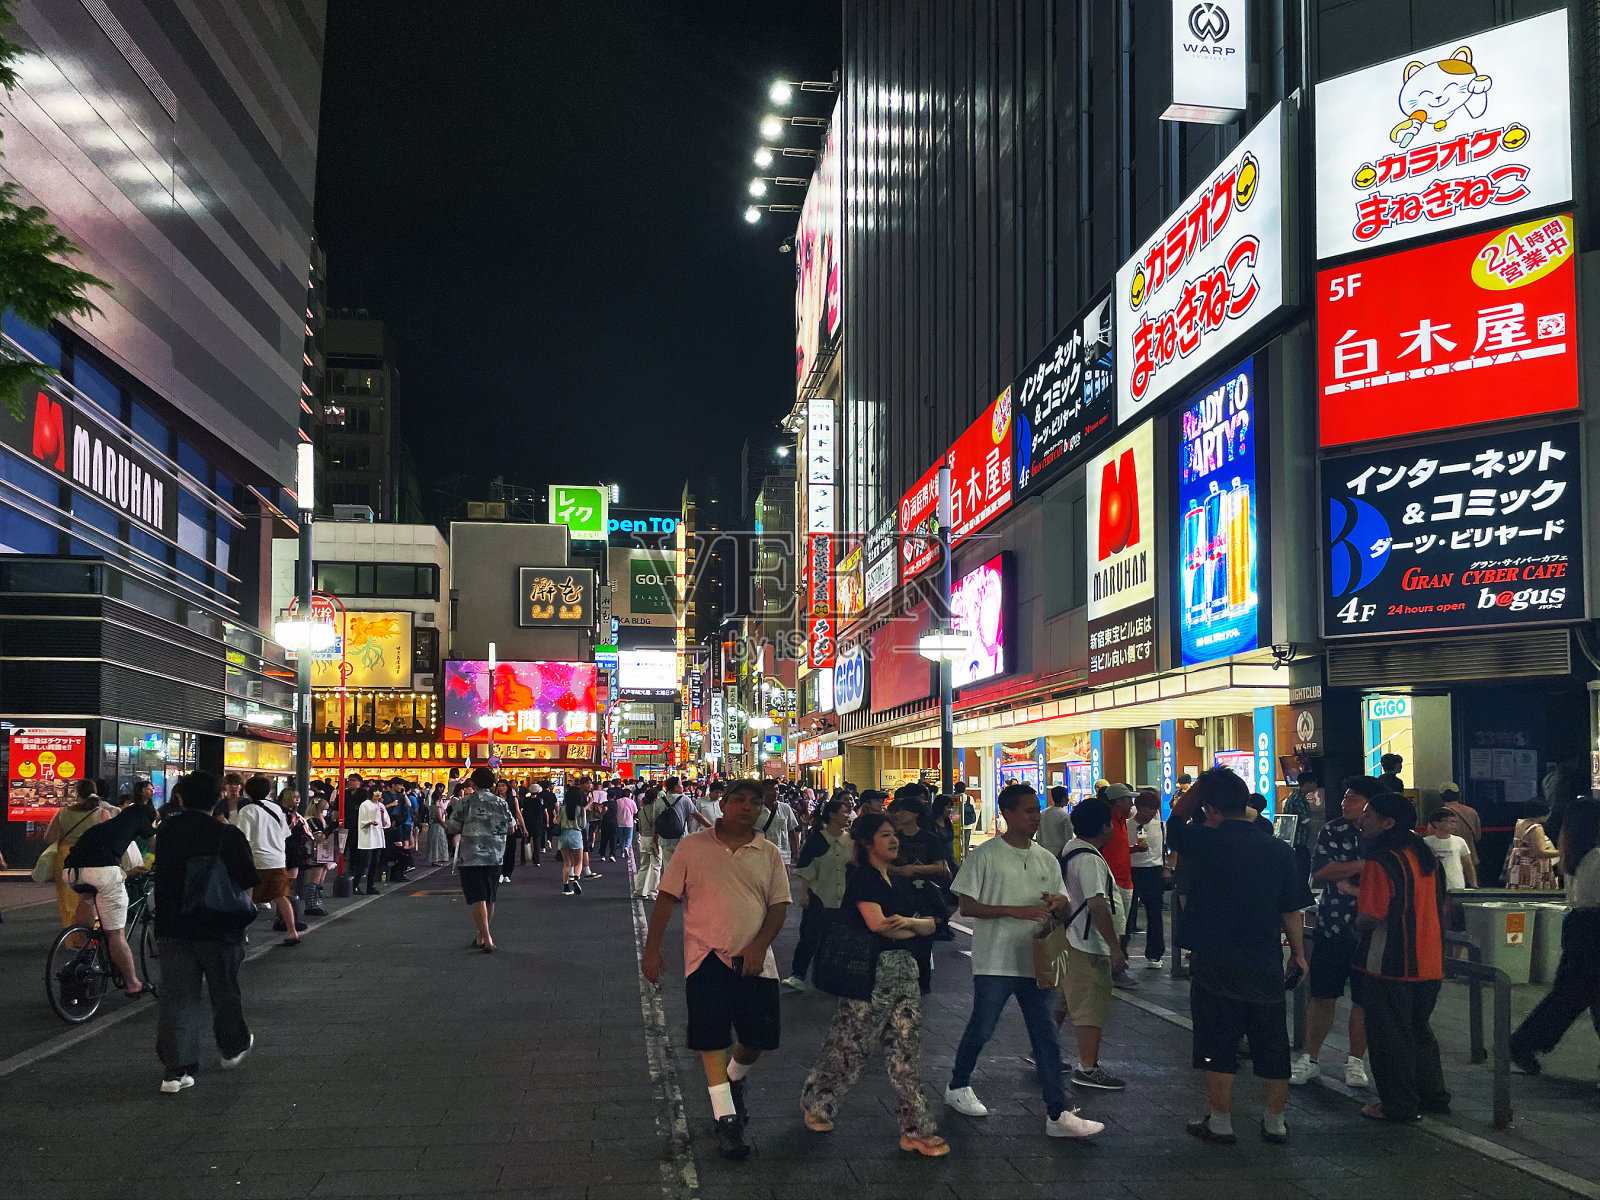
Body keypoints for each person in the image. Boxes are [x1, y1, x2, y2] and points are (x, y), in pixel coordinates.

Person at [642, 780, 791, 1162]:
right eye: (738, 799)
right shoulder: (693, 847)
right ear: (721, 805)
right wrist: (652, 949)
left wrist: (759, 946)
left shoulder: (769, 852)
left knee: (758, 1038)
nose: (746, 806)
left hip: (756, 960)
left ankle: (734, 1078)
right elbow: (667, 898)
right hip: (705, 958)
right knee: (710, 1038)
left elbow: (778, 906)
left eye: (754, 801)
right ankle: (726, 1118)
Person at [944, 783, 1104, 1139]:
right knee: (983, 1027)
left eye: (1036, 810)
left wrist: (1058, 905)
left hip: (1038, 960)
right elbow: (966, 906)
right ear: (1007, 813)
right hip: (995, 960)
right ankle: (958, 1084)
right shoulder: (986, 855)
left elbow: (1062, 901)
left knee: (1045, 1032)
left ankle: (1057, 1111)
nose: (1035, 817)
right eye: (1028, 810)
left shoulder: (1047, 856)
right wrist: (1012, 910)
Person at [1168, 768, 1312, 1146]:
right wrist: (1298, 954)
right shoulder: (1279, 850)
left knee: (1218, 1041)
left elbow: (1175, 821)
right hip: (1264, 961)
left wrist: (1198, 787)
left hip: (1214, 960)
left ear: (1210, 808)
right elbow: (1291, 910)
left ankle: (1220, 1121)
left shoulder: (1203, 842)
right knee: (1272, 1041)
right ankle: (1275, 1122)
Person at [799, 812, 946, 1156]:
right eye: (885, 835)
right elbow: (879, 925)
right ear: (867, 843)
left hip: (906, 971)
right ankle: (818, 1103)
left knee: (906, 1052)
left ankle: (916, 1129)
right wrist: (916, 926)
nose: (894, 840)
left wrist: (910, 923)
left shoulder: (899, 880)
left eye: (894, 834)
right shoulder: (863, 878)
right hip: (870, 974)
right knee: (849, 1046)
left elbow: (932, 925)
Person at [153, 770, 259, 1094]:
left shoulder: (167, 831)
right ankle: (232, 1047)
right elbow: (246, 878)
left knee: (178, 997)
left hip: (173, 926)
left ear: (181, 799)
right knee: (224, 990)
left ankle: (176, 1070)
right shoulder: (227, 835)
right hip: (219, 927)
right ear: (219, 799)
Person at [1352, 792, 1451, 1122]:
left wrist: (1353, 911)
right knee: (1418, 1032)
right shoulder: (1427, 859)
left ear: (1388, 823)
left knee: (1388, 1037)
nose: (1361, 820)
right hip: (1431, 961)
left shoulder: (1381, 862)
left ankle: (1398, 1105)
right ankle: (1433, 1096)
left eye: (1368, 815)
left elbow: (1371, 915)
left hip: (1390, 963)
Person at [1291, 775, 1378, 1090]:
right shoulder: (1334, 829)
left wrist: (1348, 874)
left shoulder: (1386, 834)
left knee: (1364, 998)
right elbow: (1322, 871)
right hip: (1333, 924)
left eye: (1353, 797)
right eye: (1345, 796)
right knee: (1323, 993)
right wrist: (1364, 866)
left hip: (1371, 928)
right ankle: (1309, 1058)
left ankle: (1355, 1061)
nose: (1345, 802)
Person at [1510, 800, 1600, 1075]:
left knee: (1572, 994)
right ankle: (1523, 1043)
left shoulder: (1578, 854)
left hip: (1581, 925)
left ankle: (1524, 1043)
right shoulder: (1595, 856)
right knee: (1573, 995)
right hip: (1593, 926)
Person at [1055, 797, 1129, 1091]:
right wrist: (1114, 947)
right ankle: (1087, 1066)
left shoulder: (1071, 850)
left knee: (1063, 999)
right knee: (1089, 1005)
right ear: (1103, 827)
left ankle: (1043, 1049)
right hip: (1086, 942)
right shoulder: (1090, 859)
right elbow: (1097, 904)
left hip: (1070, 937)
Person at [62, 799, 158, 998]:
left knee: (87, 898)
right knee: (115, 935)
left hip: (71, 871)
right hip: (102, 872)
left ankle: (87, 945)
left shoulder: (109, 825)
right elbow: (156, 846)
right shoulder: (140, 818)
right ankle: (133, 984)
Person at [785, 797, 853, 990]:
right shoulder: (818, 840)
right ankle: (798, 974)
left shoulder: (849, 840)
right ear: (832, 815)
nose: (847, 815)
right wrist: (804, 894)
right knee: (810, 936)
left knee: (836, 939)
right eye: (844, 812)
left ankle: (829, 978)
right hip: (819, 895)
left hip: (843, 897)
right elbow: (807, 869)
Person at [446, 767, 514, 952]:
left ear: (472, 783)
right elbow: (511, 828)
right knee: (490, 897)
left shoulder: (465, 803)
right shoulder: (501, 803)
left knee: (477, 897)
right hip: (495, 854)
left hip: (471, 856)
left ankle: (487, 938)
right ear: (492, 784)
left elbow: (452, 827)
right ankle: (481, 935)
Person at [231, 776, 300, 946]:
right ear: (268, 791)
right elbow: (285, 833)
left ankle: (244, 935)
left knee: (248, 899)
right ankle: (292, 931)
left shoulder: (247, 811)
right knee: (280, 895)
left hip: (257, 859)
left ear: (247, 791)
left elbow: (242, 838)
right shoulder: (276, 809)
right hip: (277, 858)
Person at [42, 780, 117, 927]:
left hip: (66, 858)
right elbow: (111, 839)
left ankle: (73, 936)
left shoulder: (63, 813)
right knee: (91, 898)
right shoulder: (102, 814)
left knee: (68, 900)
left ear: (76, 793)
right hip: (93, 858)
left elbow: (49, 838)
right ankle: (91, 934)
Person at [1100, 784, 1139, 989]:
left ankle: (1116, 966)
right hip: (1114, 881)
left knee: (1122, 925)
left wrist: (1133, 850)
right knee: (1118, 926)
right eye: (1128, 799)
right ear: (1119, 801)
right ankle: (1116, 968)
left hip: (1126, 879)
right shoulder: (1108, 822)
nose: (1132, 803)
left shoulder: (1123, 821)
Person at [1127, 788, 1168, 970]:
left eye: (1155, 809)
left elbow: (1169, 849)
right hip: (1131, 869)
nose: (1152, 812)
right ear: (1138, 807)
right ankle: (1121, 953)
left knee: (1154, 914)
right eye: (1148, 808)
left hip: (1153, 871)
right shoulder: (1125, 825)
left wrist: (1168, 868)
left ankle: (1154, 953)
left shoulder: (1160, 825)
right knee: (1127, 914)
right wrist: (1134, 849)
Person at [278, 787, 315, 931]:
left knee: (289, 885)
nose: (298, 799)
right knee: (286, 887)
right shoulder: (280, 813)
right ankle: (289, 918)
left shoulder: (297, 815)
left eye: (298, 796)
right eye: (294, 797)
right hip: (283, 850)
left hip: (294, 852)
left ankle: (283, 918)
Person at [1423, 809, 1477, 891]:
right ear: (1436, 824)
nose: (1453, 824)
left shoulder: (1459, 841)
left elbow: (1468, 865)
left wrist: (1474, 885)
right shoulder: (1426, 842)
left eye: (1455, 822)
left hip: (1456, 886)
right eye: (1450, 821)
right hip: (1433, 887)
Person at [1504, 813, 1562, 890]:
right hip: (1533, 866)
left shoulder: (1520, 823)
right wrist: (1561, 852)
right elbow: (1540, 852)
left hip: (1520, 864)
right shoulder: (1536, 828)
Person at [354, 785, 390, 894]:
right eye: (376, 791)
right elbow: (361, 822)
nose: (378, 793)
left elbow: (385, 823)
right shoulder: (365, 804)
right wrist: (369, 822)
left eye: (379, 791)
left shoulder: (381, 805)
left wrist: (383, 812)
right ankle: (355, 884)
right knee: (365, 863)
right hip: (367, 837)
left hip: (378, 836)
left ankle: (370, 886)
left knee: (375, 863)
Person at [756, 780, 802, 865]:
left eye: (776, 789)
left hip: (783, 857)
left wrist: (796, 852)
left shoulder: (785, 808)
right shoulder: (756, 810)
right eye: (771, 790)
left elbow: (791, 831)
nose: (775, 792)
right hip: (761, 858)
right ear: (763, 792)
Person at [633, 784, 666, 900]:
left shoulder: (642, 811)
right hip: (654, 839)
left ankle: (639, 890)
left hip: (643, 839)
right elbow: (657, 826)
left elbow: (640, 828)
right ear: (656, 797)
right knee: (656, 866)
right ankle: (653, 892)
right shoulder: (657, 809)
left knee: (644, 866)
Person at [305, 796, 336, 915]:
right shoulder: (312, 820)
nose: (326, 812)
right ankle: (311, 905)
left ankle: (317, 904)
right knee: (314, 880)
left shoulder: (321, 820)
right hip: (314, 852)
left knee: (320, 880)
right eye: (325, 809)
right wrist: (330, 829)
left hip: (322, 852)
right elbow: (319, 837)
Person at [557, 783, 590, 895]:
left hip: (563, 835)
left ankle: (566, 887)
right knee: (578, 862)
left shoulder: (562, 808)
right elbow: (583, 825)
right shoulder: (581, 809)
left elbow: (558, 821)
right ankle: (575, 878)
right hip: (575, 834)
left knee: (567, 863)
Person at [1037, 786, 1071, 858]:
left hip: (1044, 852)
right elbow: (1069, 838)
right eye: (1067, 797)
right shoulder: (1065, 816)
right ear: (1063, 798)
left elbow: (1039, 835)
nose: (1068, 799)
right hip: (1059, 854)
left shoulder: (1043, 813)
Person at [427, 787, 451, 865]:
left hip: (433, 826)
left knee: (434, 843)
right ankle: (436, 859)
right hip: (438, 826)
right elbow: (440, 818)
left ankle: (434, 859)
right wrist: (445, 825)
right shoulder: (437, 807)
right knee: (438, 842)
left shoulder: (431, 807)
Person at [614, 785, 637, 861]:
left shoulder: (618, 801)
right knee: (629, 837)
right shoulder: (631, 801)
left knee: (621, 837)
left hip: (619, 821)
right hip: (629, 822)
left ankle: (622, 852)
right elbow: (635, 811)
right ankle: (627, 847)